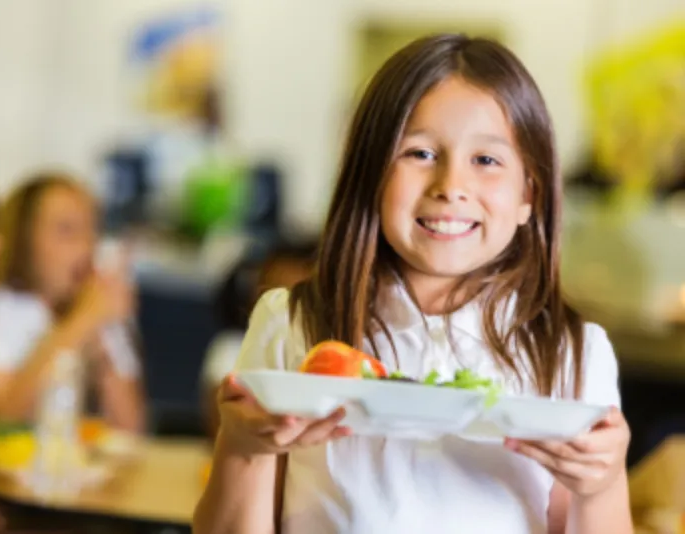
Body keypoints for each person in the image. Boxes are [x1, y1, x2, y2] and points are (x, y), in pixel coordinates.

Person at [194, 34, 632, 534]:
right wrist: (241, 446)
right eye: (420, 153)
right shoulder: (290, 322)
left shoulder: (574, 353)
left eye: (486, 161)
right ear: (371, 175)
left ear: (528, 194)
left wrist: (603, 484)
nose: (451, 186)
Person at [0, 173, 145, 433]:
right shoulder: (9, 306)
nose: (85, 245)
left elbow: (131, 428)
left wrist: (101, 343)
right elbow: (6, 414)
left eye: (92, 229)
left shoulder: (96, 306)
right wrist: (81, 321)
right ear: (23, 239)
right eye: (66, 230)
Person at [201, 239, 317, 438]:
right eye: (270, 293)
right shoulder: (230, 348)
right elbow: (222, 425)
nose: (277, 311)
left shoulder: (323, 354)